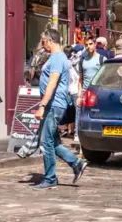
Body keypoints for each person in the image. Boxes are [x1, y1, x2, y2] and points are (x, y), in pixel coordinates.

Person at [34, 29, 86, 189]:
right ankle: (76, 163)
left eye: (43, 42)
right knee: (53, 141)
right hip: (54, 104)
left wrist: (42, 105)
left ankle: (50, 178)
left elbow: (52, 82)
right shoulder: (58, 57)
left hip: (53, 105)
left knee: (46, 142)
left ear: (50, 41)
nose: (43, 45)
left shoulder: (57, 58)